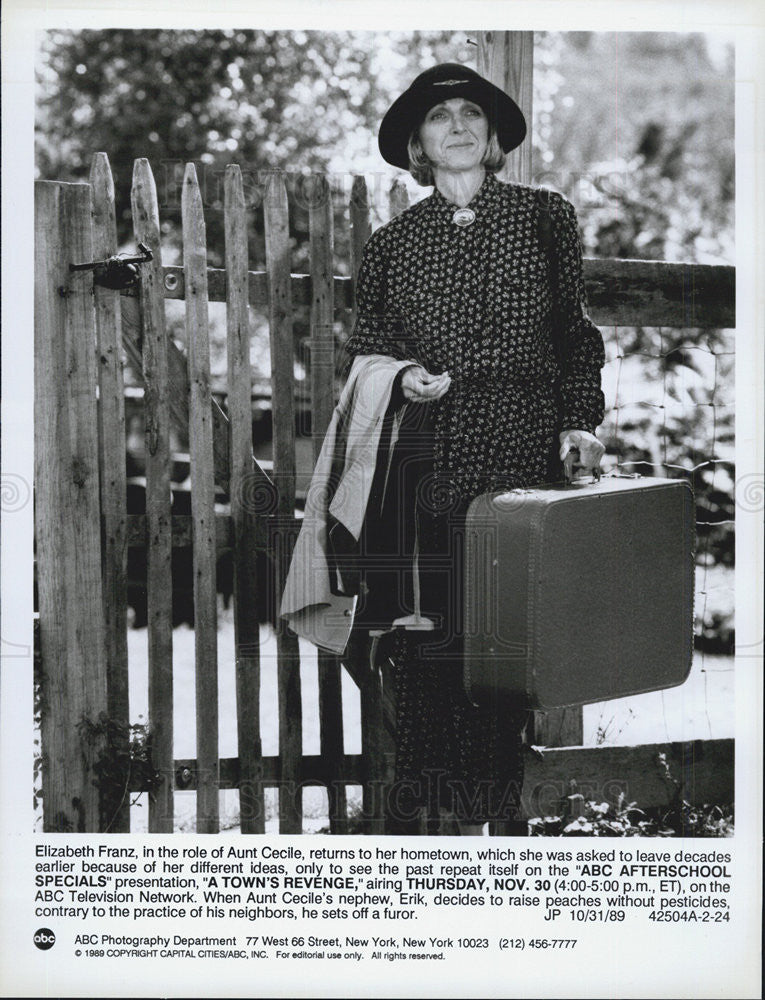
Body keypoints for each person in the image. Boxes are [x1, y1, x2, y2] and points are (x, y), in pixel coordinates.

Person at [303, 62, 605, 835]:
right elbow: (369, 353)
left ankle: (494, 822)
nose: (459, 126)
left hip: (521, 451)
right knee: (429, 634)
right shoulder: (393, 244)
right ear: (418, 145)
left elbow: (574, 337)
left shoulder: (545, 216)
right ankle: (434, 824)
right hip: (428, 458)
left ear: (494, 137)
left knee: (505, 637)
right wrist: (404, 377)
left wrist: (579, 421)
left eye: (473, 113)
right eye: (439, 119)